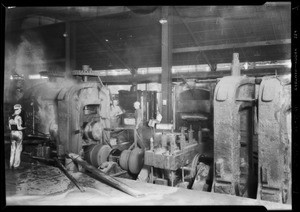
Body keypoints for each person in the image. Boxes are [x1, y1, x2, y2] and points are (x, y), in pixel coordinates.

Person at [8, 104, 26, 169]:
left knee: (12, 149)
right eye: (20, 109)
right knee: (18, 149)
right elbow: (19, 127)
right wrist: (24, 128)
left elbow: (10, 128)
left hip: (12, 133)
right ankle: (16, 165)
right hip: (18, 134)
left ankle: (10, 164)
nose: (20, 110)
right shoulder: (18, 117)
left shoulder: (10, 117)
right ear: (18, 110)